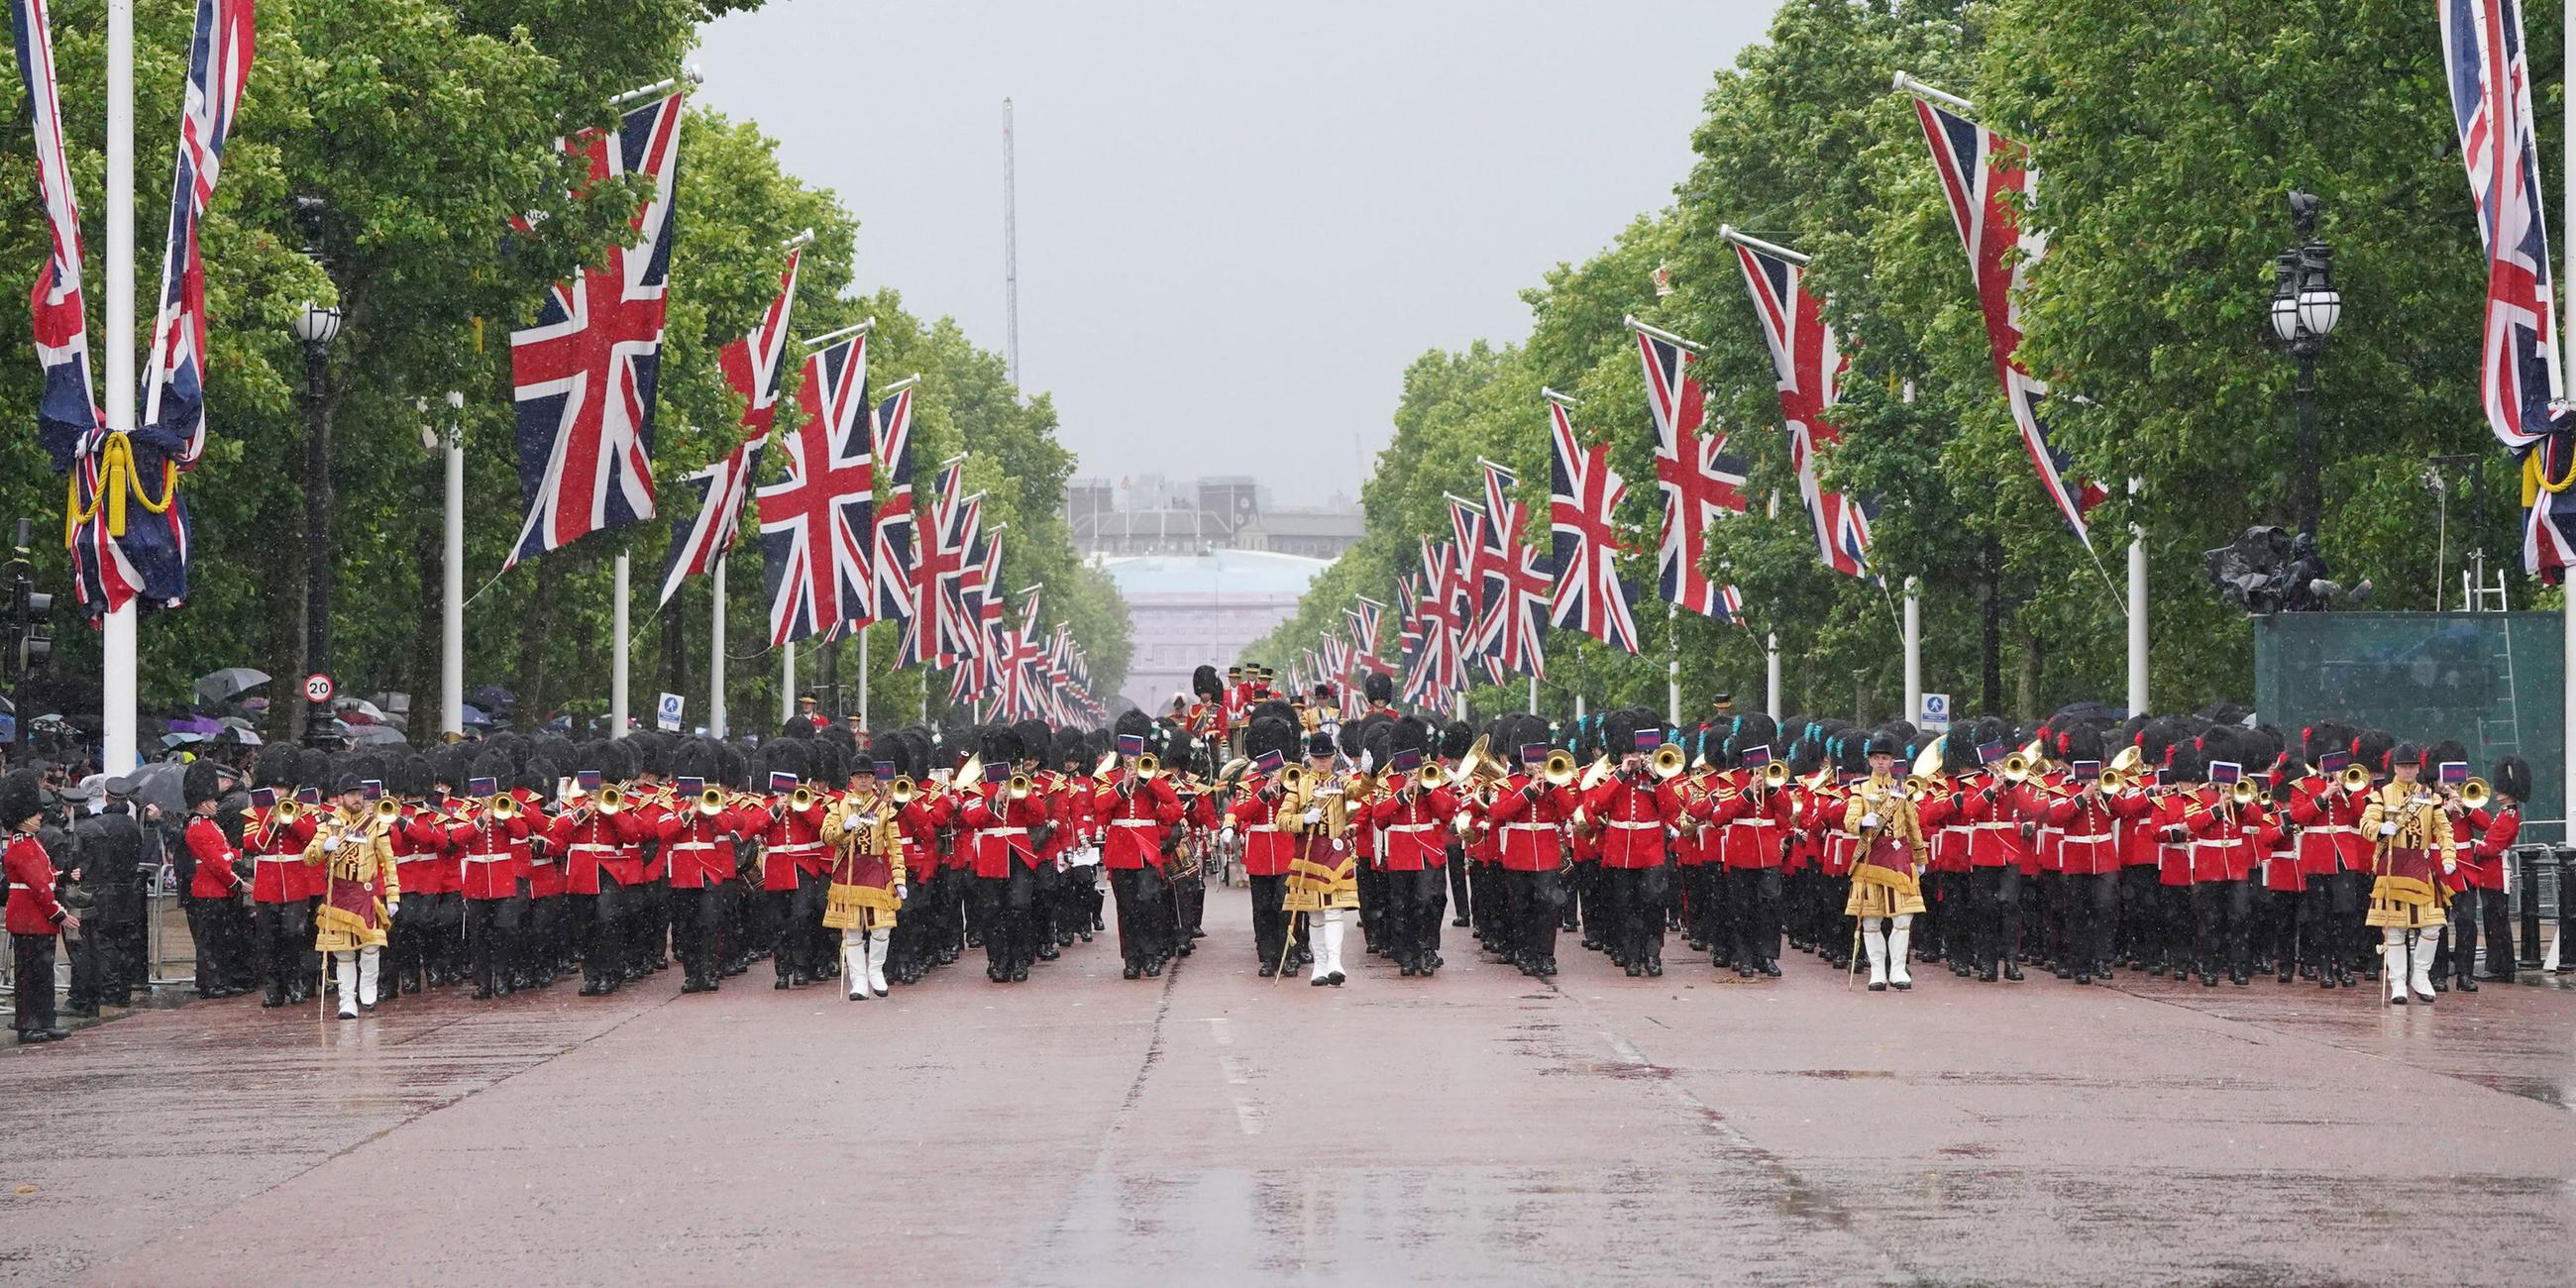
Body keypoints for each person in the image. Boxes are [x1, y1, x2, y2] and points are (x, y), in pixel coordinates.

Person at [2360, 744, 2457, 1006]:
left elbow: (2444, 829)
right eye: (2404, 765)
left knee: (2433, 924)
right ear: (2395, 768)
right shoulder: (2381, 794)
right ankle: (2398, 982)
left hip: (2421, 866)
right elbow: (2366, 824)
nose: (2408, 770)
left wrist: (2448, 856)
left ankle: (2421, 976)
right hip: (2393, 866)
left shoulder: (2429, 796)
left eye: (2412, 766)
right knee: (2394, 931)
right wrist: (2381, 828)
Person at [303, 775, 400, 1020]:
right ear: (340, 798)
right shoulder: (328, 825)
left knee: (371, 947)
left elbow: (388, 863)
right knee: (343, 953)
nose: (357, 799)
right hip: (339, 896)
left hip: (366, 894)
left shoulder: (375, 825)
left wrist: (393, 895)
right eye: (352, 794)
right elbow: (309, 857)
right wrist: (324, 847)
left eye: (360, 794)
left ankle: (368, 988)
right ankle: (347, 1000)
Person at [1842, 730, 1929, 992]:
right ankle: (1877, 971)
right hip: (1872, 857)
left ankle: (1898, 969)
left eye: (1885, 758)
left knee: (1903, 919)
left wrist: (1920, 856)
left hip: (1900, 858)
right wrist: (1861, 823)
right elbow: (1849, 821)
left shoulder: (1901, 790)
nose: (1880, 762)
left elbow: (1913, 826)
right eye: (1876, 758)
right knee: (1871, 920)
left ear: (1893, 762)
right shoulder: (1859, 789)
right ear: (1870, 761)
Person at [1096, 719, 1181, 980]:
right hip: (1120, 850)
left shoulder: (1153, 777)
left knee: (1150, 904)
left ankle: (1151, 955)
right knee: (1128, 908)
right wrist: (1123, 784)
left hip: (1147, 850)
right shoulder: (1108, 778)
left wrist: (1148, 780)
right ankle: (1131, 959)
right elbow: (1100, 806)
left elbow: (1175, 807)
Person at [819, 754, 905, 1001]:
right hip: (849, 870)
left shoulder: (885, 809)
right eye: (859, 776)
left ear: (874, 778)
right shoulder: (838, 806)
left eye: (868, 776)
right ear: (852, 779)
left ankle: (876, 970)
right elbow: (826, 835)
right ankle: (858, 981)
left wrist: (899, 879)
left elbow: (895, 846)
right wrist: (844, 828)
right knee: (852, 931)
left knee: (882, 927)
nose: (864, 780)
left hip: (876, 870)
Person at [5, 769, 77, 1042]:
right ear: (23, 816)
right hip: (30, 917)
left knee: (40, 974)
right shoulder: (22, 844)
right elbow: (38, 886)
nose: (39, 816)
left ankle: (42, 1020)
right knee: (31, 976)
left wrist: (64, 876)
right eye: (34, 813)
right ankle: (30, 1022)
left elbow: (45, 876)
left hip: (36, 917)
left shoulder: (30, 841)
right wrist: (59, 914)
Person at [1281, 730, 1357, 985]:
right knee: (1314, 913)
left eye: (1326, 757)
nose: (1322, 761)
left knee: (1334, 910)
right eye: (1317, 757)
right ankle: (1320, 965)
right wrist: (1303, 819)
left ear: (1333, 758)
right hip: (1309, 853)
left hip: (1335, 852)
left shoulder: (1341, 781)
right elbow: (1282, 820)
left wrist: (1368, 774)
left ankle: (1335, 962)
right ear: (1310, 758)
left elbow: (1359, 788)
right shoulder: (1298, 784)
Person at [2457, 755, 2527, 989]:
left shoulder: (2509, 815)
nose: (2497, 792)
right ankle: (2498, 965)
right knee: (2493, 922)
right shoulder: (2504, 813)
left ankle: (2501, 967)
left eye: (2502, 789)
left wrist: (2472, 846)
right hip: (2490, 875)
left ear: (2510, 791)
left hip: (2496, 875)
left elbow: (2493, 846)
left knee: (2497, 924)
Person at [180, 762, 248, 999]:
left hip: (219, 890)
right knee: (210, 941)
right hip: (209, 891)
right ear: (202, 802)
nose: (216, 803)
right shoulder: (197, 827)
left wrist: (245, 854)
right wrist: (237, 882)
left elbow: (227, 851)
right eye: (213, 800)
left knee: (221, 938)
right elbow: (216, 863)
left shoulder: (210, 824)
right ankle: (211, 982)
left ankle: (221, 979)